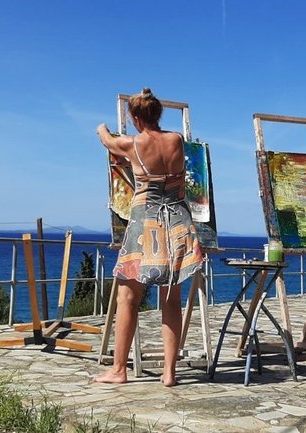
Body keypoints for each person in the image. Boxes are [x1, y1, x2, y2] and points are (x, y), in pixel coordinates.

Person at [94, 88, 203, 387]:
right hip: (179, 219)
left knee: (128, 295)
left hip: (147, 220)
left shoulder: (133, 143)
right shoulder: (177, 140)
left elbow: (107, 141)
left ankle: (119, 370)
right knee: (171, 297)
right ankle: (170, 372)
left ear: (136, 117)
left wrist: (102, 128)